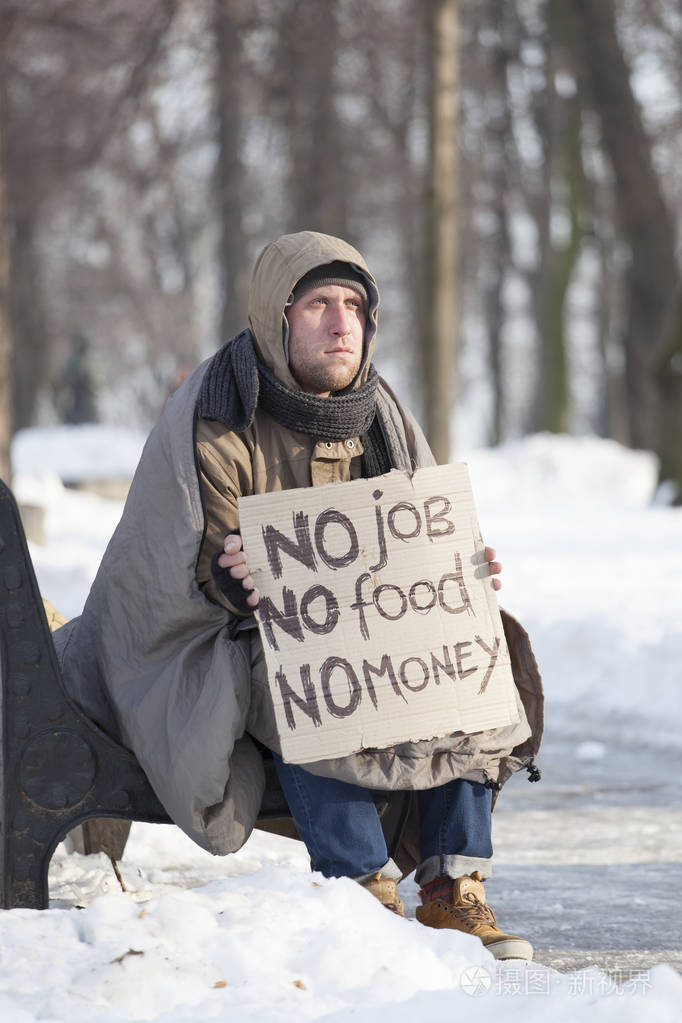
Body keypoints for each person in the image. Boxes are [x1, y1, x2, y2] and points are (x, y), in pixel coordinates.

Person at [55, 231, 542, 961]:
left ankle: (453, 883)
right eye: (318, 304)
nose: (342, 323)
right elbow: (172, 564)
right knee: (304, 667)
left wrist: (452, 578)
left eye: (354, 305)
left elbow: (406, 541)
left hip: (353, 624)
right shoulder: (218, 412)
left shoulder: (380, 412)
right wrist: (231, 575)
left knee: (471, 648)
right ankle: (359, 884)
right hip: (224, 636)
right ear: (276, 316)